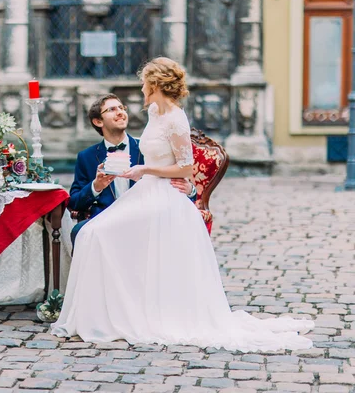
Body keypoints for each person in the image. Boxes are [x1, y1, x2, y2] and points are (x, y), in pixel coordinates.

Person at [51, 57, 314, 351]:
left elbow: (186, 168)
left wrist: (145, 170)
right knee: (90, 232)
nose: (140, 88)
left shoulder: (177, 118)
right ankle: (109, 312)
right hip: (147, 193)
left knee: (95, 233)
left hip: (162, 197)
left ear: (155, 84)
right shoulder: (153, 111)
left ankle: (121, 316)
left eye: (144, 82)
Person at [69, 93, 195, 245]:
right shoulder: (86, 157)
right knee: (79, 232)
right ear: (98, 121)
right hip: (106, 220)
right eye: (112, 109)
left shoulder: (148, 150)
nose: (120, 112)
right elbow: (74, 203)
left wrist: (190, 190)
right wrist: (96, 187)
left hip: (145, 219)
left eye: (122, 108)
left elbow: (174, 185)